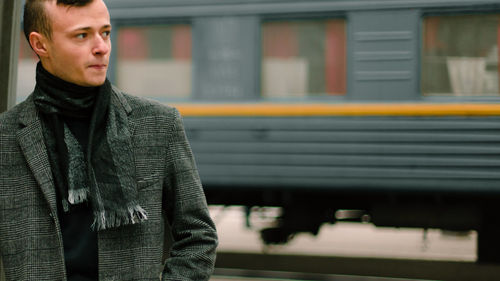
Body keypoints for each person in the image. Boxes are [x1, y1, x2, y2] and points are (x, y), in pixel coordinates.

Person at [0, 0, 218, 280]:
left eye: (105, 33)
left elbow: (198, 236)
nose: (101, 47)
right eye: (82, 35)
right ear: (40, 44)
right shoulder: (6, 137)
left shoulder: (158, 124)